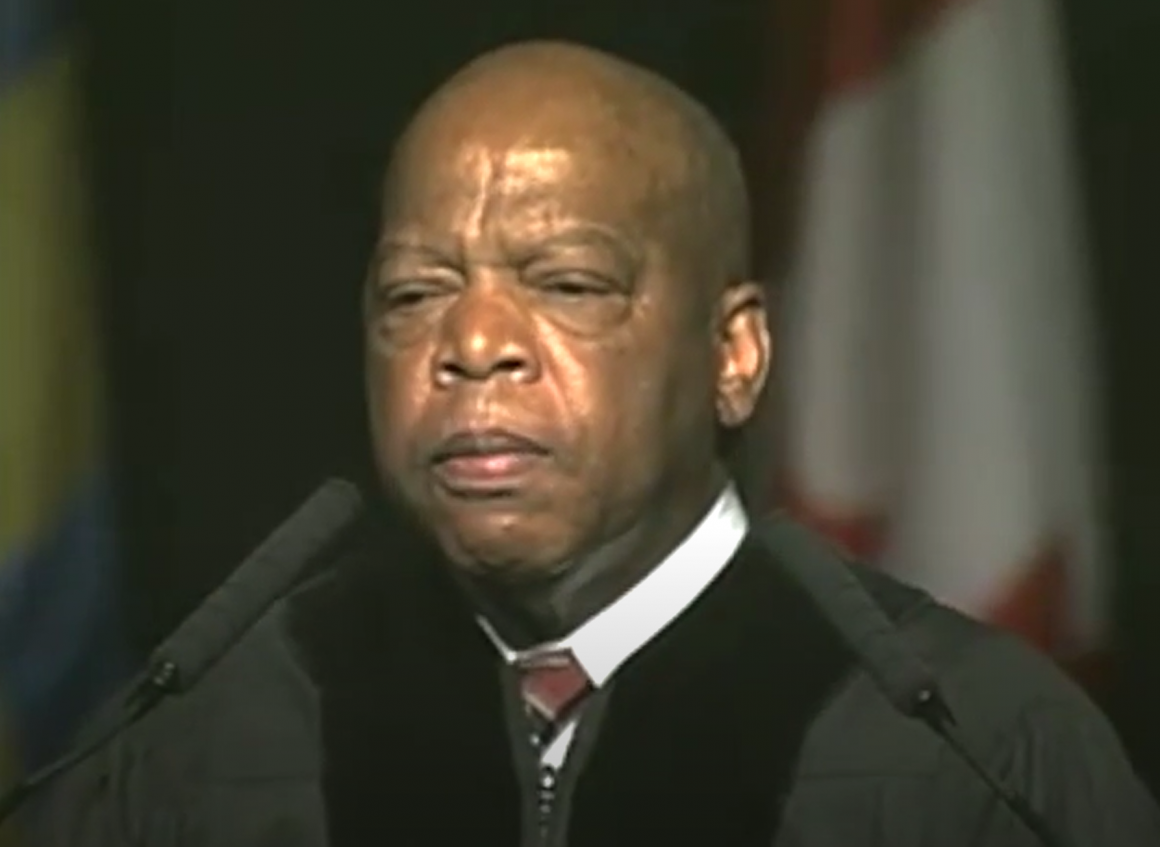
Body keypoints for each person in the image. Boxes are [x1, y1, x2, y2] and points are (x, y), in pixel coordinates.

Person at [34, 40, 1158, 847]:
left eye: (566, 283)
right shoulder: (211, 739)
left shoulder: (969, 747)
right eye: (414, 293)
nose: (470, 342)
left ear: (733, 355)